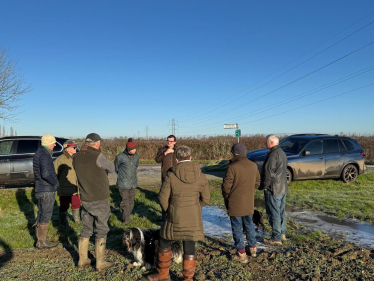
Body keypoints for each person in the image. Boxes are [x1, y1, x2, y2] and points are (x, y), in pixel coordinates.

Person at [147, 146, 210, 281]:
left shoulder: (171, 175)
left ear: (176, 159)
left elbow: (162, 198)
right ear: (191, 157)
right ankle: (188, 278)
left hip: (174, 216)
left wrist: (169, 211)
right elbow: (206, 198)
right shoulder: (201, 175)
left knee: (164, 241)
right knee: (189, 244)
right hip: (192, 217)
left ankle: (163, 275)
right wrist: (195, 207)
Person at [73, 133, 115, 272]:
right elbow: (112, 168)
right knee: (101, 228)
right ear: (97, 143)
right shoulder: (98, 156)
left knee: (86, 228)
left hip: (85, 197)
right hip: (99, 197)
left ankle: (82, 260)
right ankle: (100, 262)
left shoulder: (76, 156)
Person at [222, 143, 261, 264]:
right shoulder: (253, 165)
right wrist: (248, 190)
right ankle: (253, 248)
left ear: (233, 153)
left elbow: (226, 187)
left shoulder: (232, 167)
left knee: (237, 227)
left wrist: (227, 197)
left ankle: (242, 253)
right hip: (248, 201)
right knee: (249, 225)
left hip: (235, 202)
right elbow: (257, 182)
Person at [260, 134, 288, 246]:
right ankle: (282, 234)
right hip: (282, 187)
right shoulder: (282, 153)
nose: (266, 143)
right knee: (281, 212)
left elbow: (268, 174)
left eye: (267, 142)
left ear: (271, 142)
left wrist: (264, 186)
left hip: (273, 189)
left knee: (274, 213)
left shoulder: (272, 155)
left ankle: (276, 238)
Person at [33, 134, 59, 249]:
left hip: (40, 189)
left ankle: (40, 241)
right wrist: (55, 183)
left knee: (41, 214)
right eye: (53, 143)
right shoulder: (44, 155)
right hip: (46, 189)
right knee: (46, 215)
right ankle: (42, 242)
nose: (54, 144)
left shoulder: (40, 152)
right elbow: (46, 174)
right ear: (48, 143)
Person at [54, 140, 80, 227]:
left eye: (76, 147)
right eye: (73, 147)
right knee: (64, 205)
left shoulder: (77, 158)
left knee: (76, 204)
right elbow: (55, 174)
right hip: (64, 188)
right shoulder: (60, 160)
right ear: (67, 149)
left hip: (75, 187)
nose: (75, 148)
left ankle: (77, 221)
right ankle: (63, 222)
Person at [114, 138, 139, 223]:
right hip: (123, 183)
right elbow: (116, 167)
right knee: (125, 202)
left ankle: (127, 215)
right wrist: (122, 176)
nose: (134, 150)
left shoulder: (136, 156)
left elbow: (136, 166)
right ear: (128, 150)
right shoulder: (120, 156)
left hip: (133, 183)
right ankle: (126, 220)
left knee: (131, 202)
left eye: (135, 148)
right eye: (132, 149)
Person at [155, 135, 177, 221]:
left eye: (171, 141)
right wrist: (166, 153)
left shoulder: (178, 150)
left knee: (174, 197)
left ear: (174, 142)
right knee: (165, 197)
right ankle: (164, 217)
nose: (169, 142)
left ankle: (174, 216)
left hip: (176, 177)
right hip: (165, 177)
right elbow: (157, 160)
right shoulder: (162, 150)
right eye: (168, 140)